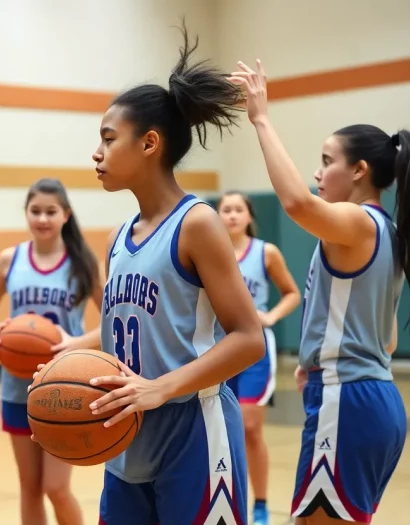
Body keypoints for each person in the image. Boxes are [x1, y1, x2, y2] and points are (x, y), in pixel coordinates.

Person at [229, 60, 410, 524]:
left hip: (347, 401)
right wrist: (317, 362)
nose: (317, 173)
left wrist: (261, 119)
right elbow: (386, 339)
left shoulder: (358, 222)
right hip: (367, 398)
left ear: (360, 170)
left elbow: (295, 203)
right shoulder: (386, 230)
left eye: (327, 162)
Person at [76, 22, 266, 525]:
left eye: (108, 138)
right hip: (126, 440)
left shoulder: (197, 223)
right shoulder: (121, 237)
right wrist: (66, 357)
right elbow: (136, 332)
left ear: (149, 144)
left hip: (193, 432)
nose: (96, 152)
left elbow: (249, 339)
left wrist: (161, 387)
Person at [0, 177, 102, 525]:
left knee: (56, 488)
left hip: (66, 388)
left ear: (66, 215)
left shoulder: (82, 263)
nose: (43, 219)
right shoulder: (10, 259)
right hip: (17, 388)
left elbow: (115, 318)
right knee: (29, 487)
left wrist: (75, 344)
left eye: (51, 211)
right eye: (36, 211)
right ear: (26, 214)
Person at [215, 191, 301, 525]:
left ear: (249, 216)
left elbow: (292, 293)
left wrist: (272, 316)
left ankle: (261, 503)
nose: (233, 215)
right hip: (217, 349)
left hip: (253, 349)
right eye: (226, 210)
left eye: (239, 209)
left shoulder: (266, 253)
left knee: (250, 428)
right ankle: (226, 499)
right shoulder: (209, 250)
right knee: (220, 430)